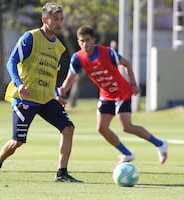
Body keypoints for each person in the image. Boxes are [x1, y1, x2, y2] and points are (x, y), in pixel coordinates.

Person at [0, 2, 82, 182]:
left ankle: (62, 173)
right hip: (24, 99)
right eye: (55, 19)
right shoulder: (30, 38)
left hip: (46, 99)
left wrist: (56, 95)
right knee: (17, 142)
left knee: (68, 128)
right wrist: (19, 85)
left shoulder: (59, 48)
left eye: (61, 19)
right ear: (45, 19)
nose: (59, 23)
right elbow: (11, 62)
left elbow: (51, 75)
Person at [58, 25, 168, 165]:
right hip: (105, 95)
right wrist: (63, 90)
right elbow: (70, 78)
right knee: (102, 128)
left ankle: (160, 144)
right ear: (78, 42)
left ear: (93, 40)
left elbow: (126, 63)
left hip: (122, 92)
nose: (84, 44)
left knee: (126, 126)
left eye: (87, 40)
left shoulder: (107, 52)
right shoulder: (77, 58)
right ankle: (127, 154)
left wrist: (134, 84)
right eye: (81, 41)